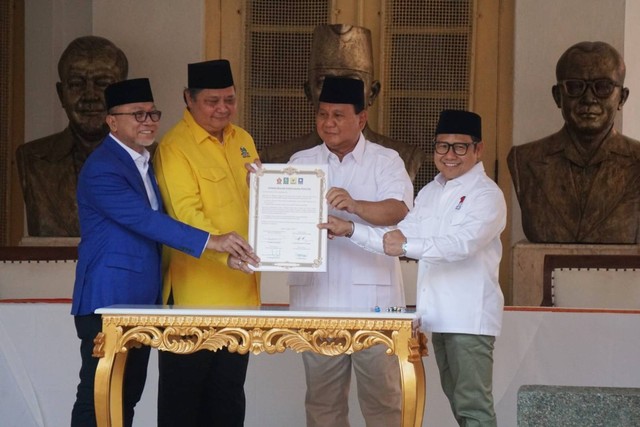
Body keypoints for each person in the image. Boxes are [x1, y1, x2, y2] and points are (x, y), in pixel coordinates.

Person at [70, 78, 258, 427]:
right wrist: (212, 241)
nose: (148, 121)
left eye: (153, 113)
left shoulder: (145, 162)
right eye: (137, 115)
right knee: (99, 398)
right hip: (108, 302)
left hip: (142, 301)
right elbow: (146, 221)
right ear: (112, 121)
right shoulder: (103, 168)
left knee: (126, 397)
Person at [322, 110, 506, 426]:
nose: (449, 155)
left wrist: (407, 247)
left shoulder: (487, 195)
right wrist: (350, 230)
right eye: (442, 146)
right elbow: (398, 235)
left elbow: (461, 245)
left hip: (469, 318)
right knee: (457, 400)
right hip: (439, 316)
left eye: (460, 147)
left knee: (473, 406)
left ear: (478, 149)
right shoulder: (431, 192)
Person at [284, 76, 413, 427]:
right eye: (323, 114)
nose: (328, 123)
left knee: (384, 402)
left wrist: (354, 207)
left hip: (374, 305)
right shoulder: (301, 160)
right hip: (317, 303)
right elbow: (283, 218)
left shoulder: (386, 160)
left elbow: (398, 208)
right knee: (322, 404)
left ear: (362, 118)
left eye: (339, 115)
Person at [153, 59, 260, 427]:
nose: (222, 109)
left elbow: (262, 206)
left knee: (228, 400)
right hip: (193, 297)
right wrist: (223, 254)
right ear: (189, 99)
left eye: (229, 100)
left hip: (242, 295)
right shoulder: (174, 146)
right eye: (212, 101)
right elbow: (184, 215)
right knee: (183, 404)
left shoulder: (242, 139)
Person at [507, 41, 640, 243]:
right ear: (558, 96)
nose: (588, 98)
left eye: (603, 87)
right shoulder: (524, 159)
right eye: (575, 87)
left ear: (622, 98)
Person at [259, 24, 426, 182]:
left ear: (372, 93)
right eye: (324, 82)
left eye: (351, 82)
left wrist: (355, 206)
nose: (338, 91)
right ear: (309, 92)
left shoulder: (402, 158)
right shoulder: (279, 160)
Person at [16, 36, 128, 237]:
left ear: (123, 93)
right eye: (76, 84)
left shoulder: (154, 158)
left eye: (103, 84)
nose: (90, 95)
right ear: (61, 93)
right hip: (49, 269)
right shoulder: (32, 158)